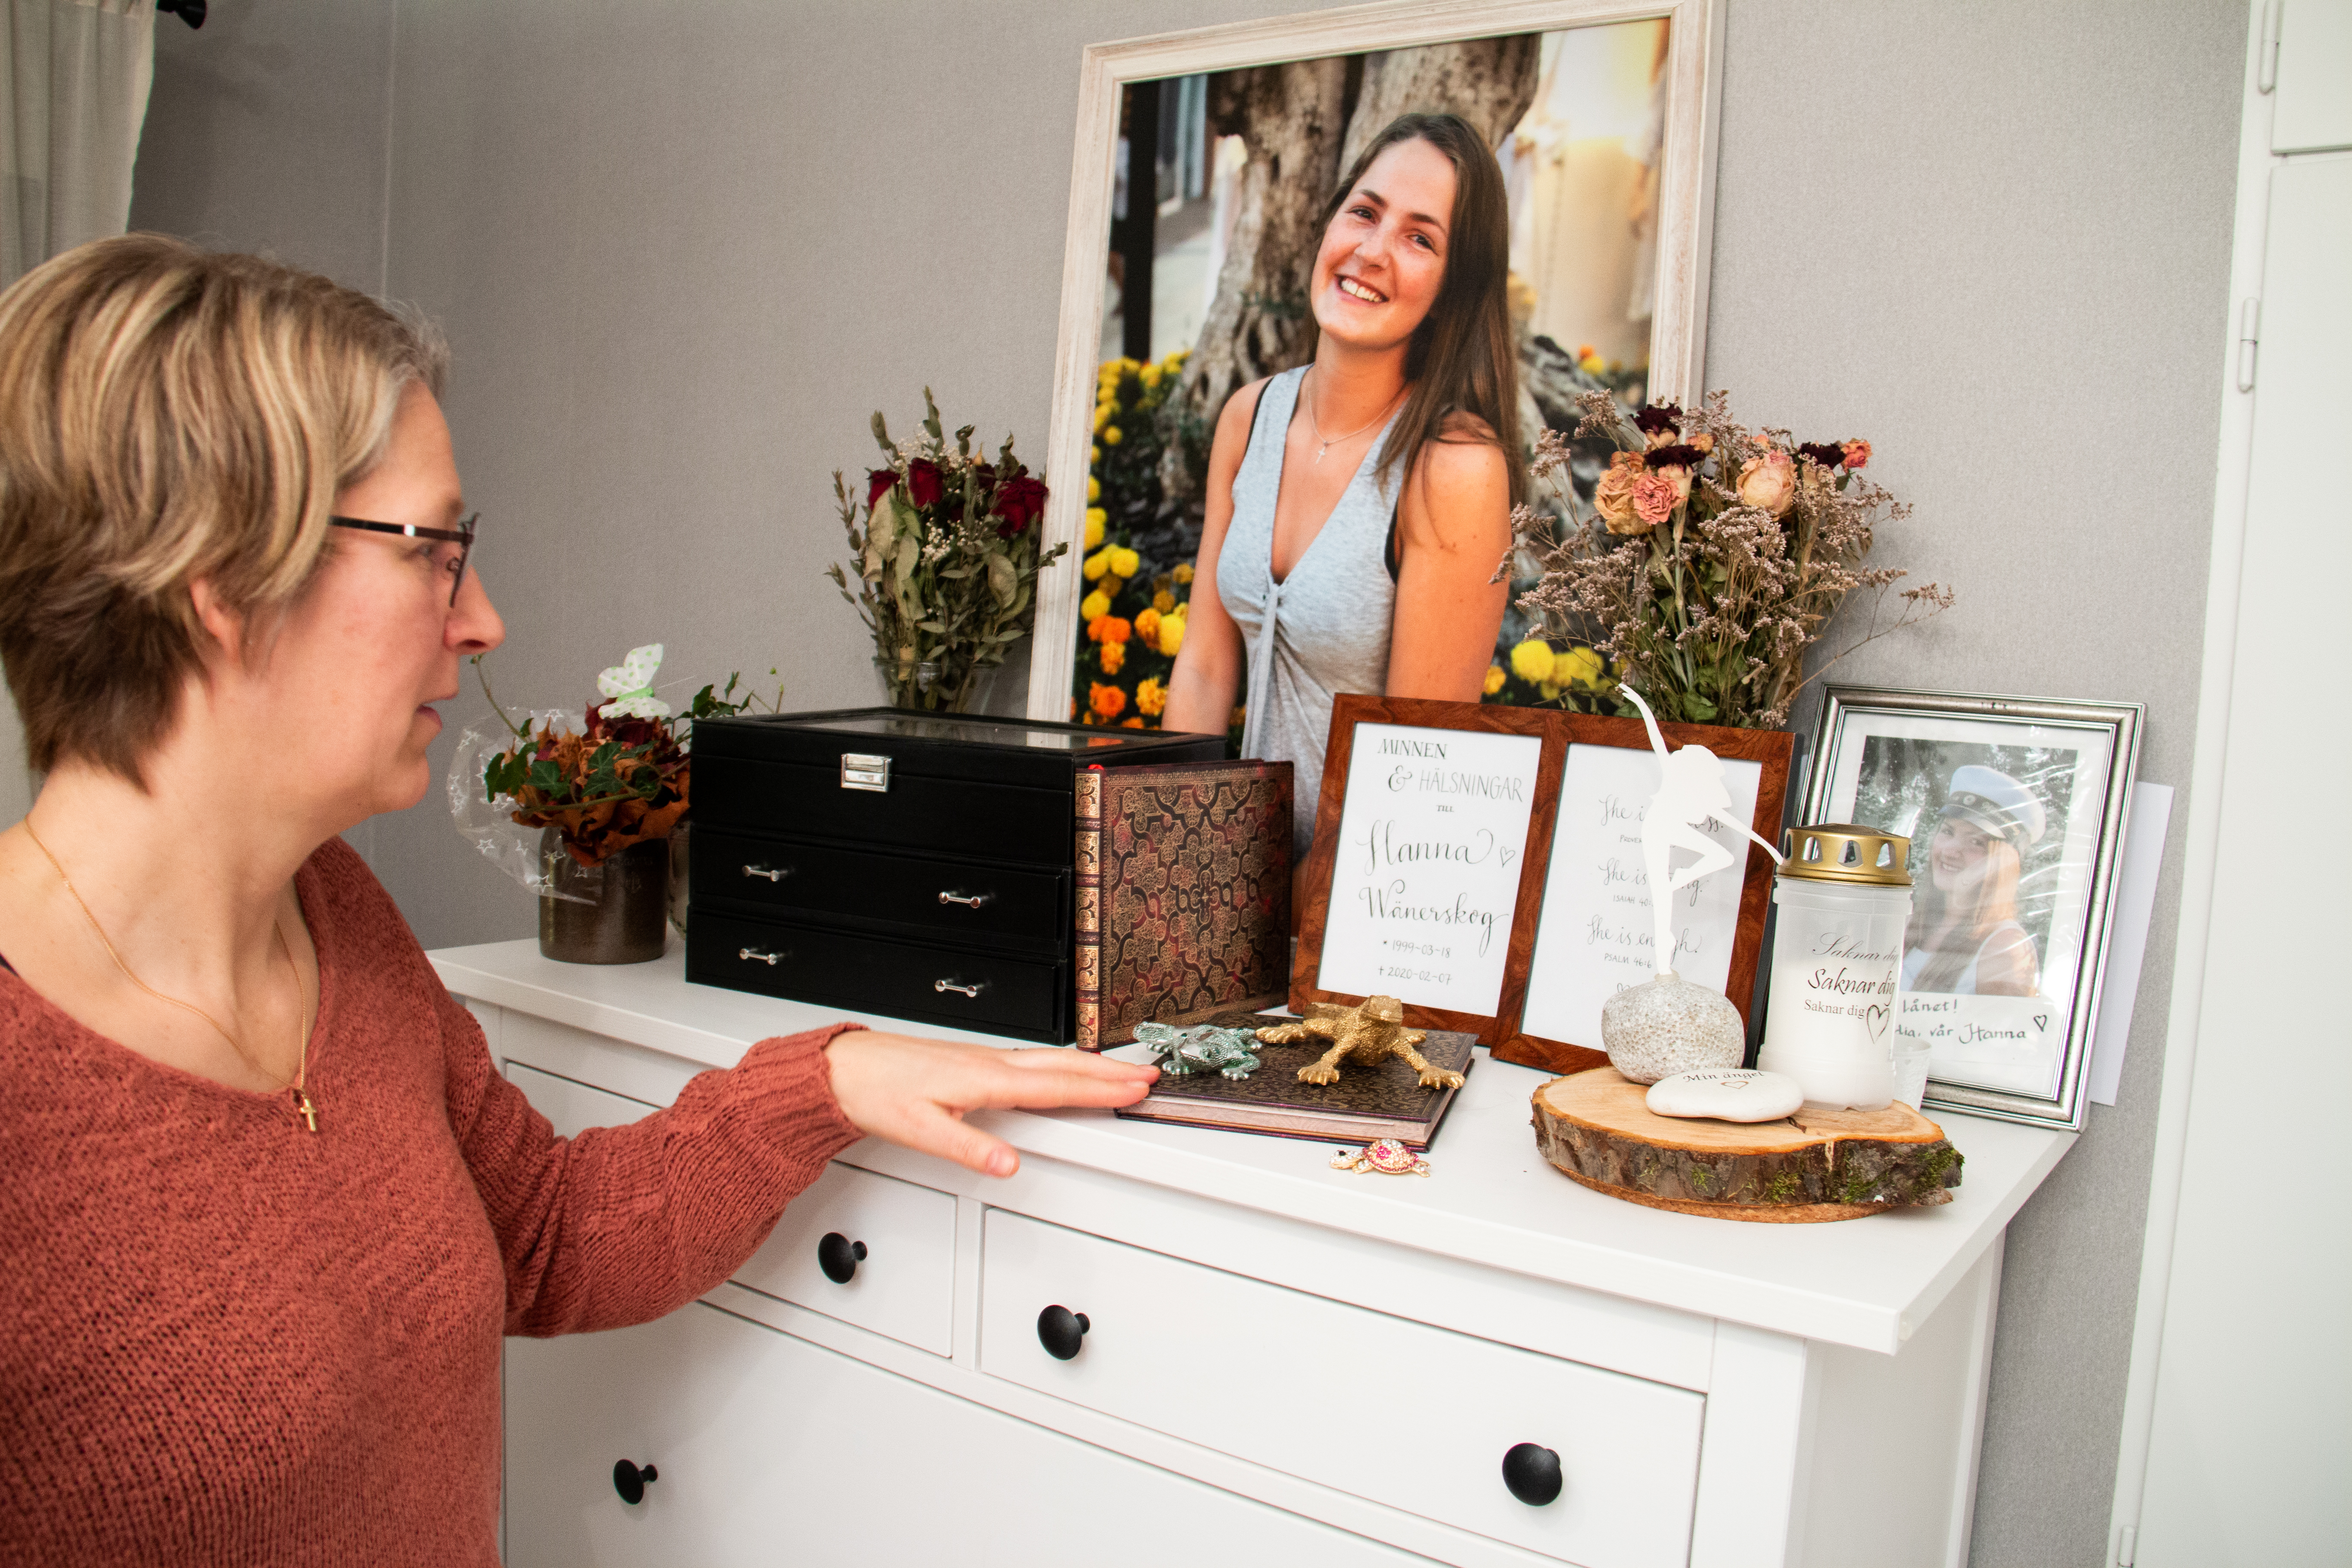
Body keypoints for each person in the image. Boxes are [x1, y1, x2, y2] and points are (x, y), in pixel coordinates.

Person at [0, 236, 1157, 1565]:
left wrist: (823, 1082)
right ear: (221, 579)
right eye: (433, 547)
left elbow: (543, 1234)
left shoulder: (337, 916)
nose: (481, 615)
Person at [1161, 112, 1522, 859]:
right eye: (1364, 211)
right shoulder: (1249, 418)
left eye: (1420, 237)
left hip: (1356, 911)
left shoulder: (1452, 469)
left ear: (1456, 284)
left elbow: (1416, 769)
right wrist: (1175, 870)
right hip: (1229, 902)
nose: (1372, 250)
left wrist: (1286, 922)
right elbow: (1201, 668)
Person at [1902, 763, 2046, 995]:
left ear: (2002, 862)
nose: (1950, 851)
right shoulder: (1910, 925)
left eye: (1976, 842)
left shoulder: (2004, 947)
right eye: (1948, 832)